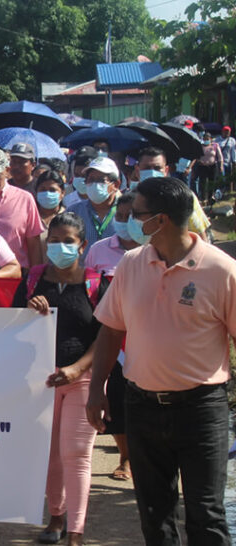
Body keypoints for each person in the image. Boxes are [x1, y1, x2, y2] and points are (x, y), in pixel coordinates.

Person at [86, 176, 235, 545]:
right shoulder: (132, 264)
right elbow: (110, 330)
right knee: (154, 514)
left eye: (136, 214)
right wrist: (96, 390)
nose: (128, 220)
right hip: (142, 406)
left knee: (205, 514)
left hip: (201, 409)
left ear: (162, 220)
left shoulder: (222, 271)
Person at [15, 212, 101, 546]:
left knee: (77, 454)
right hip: (41, 382)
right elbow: (8, 326)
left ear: (83, 245)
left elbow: (106, 333)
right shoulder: (33, 279)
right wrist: (28, 310)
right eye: (54, 240)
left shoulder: (95, 283)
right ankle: (55, 518)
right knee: (49, 454)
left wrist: (79, 368)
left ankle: (76, 532)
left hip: (82, 379)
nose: (60, 247)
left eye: (68, 241)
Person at [84, 191, 138, 482]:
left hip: (148, 338)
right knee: (116, 399)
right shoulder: (100, 249)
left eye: (131, 216)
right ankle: (126, 458)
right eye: (119, 216)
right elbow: (90, 288)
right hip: (112, 337)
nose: (124, 222)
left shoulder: (156, 250)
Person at [65, 156, 121, 260]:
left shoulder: (126, 212)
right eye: (91, 180)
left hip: (117, 274)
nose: (95, 184)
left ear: (116, 184)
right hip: (84, 273)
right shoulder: (73, 212)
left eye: (101, 180)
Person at [34, 170, 68, 266]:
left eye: (52, 190)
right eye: (43, 190)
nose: (47, 194)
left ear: (62, 193)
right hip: (34, 274)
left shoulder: (69, 217)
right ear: (36, 192)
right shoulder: (30, 217)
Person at [191, 132, 223, 200]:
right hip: (202, 166)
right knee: (203, 182)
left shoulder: (215, 145)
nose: (206, 140)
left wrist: (221, 166)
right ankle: (203, 198)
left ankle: (211, 197)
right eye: (205, 139)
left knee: (212, 181)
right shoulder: (200, 146)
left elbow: (220, 157)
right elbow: (196, 157)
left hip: (212, 166)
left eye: (207, 139)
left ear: (210, 139)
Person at [215, 126, 234, 190]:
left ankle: (228, 191)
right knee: (222, 178)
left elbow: (233, 151)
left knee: (229, 178)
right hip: (220, 162)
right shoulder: (217, 140)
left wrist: (234, 161)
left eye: (228, 132)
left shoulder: (232, 140)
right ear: (222, 132)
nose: (227, 133)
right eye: (225, 131)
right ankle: (221, 191)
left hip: (229, 162)